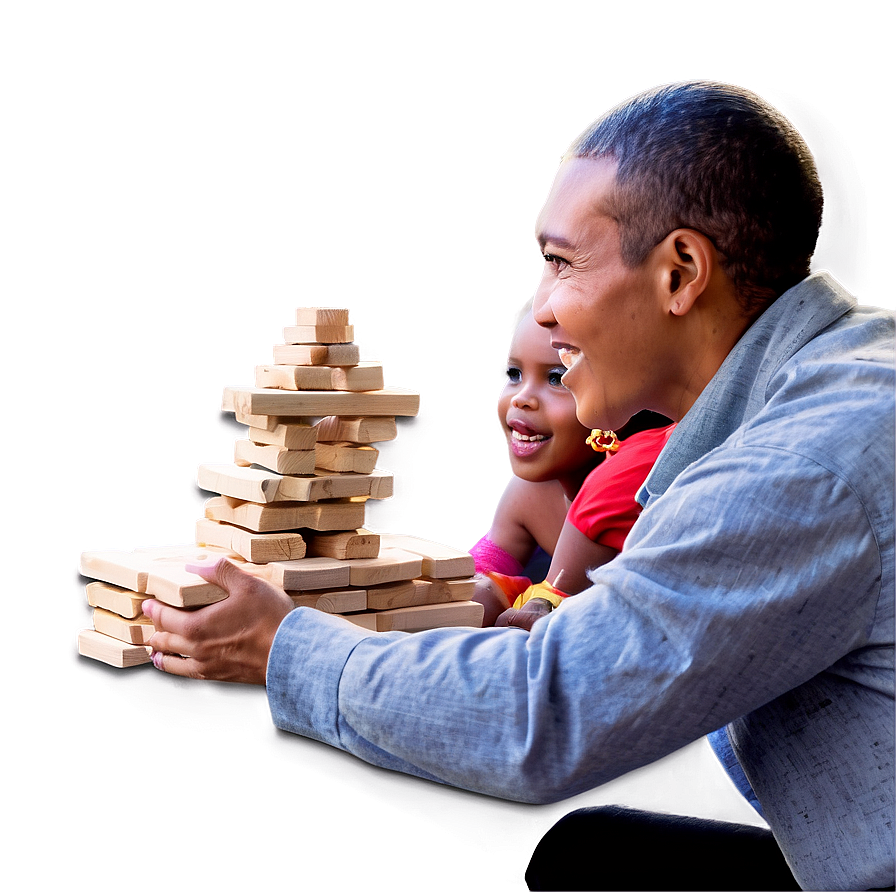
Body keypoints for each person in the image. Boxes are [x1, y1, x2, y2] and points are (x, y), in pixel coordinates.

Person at [143, 80, 894, 890]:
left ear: (680, 273)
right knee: (593, 858)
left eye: (561, 263)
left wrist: (282, 647)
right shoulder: (846, 376)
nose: (542, 310)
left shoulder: (804, 465)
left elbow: (544, 716)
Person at [470, 301, 673, 627]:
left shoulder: (644, 495)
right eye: (514, 374)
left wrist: (539, 599)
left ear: (622, 401)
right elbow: (483, 576)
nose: (522, 398)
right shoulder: (530, 494)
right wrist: (475, 592)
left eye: (556, 378)